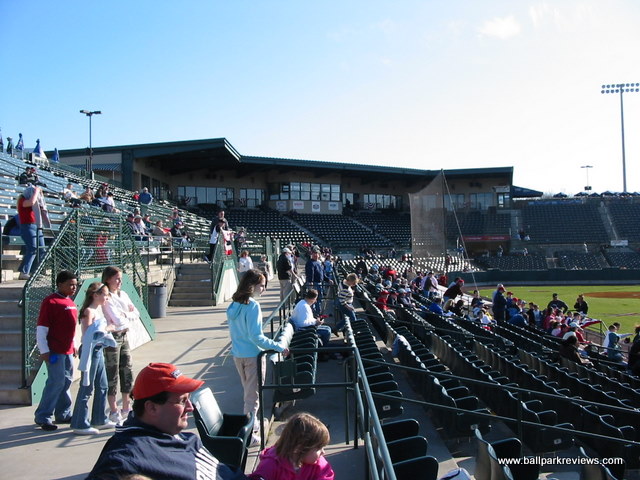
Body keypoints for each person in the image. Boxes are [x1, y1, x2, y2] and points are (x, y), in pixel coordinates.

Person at [86, 362, 247, 480]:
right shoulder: (125, 459)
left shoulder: (182, 436)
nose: (190, 407)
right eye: (182, 401)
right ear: (152, 408)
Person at [227, 269, 289, 444]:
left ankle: (251, 423)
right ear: (251, 285)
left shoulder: (234, 305)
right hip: (253, 356)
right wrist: (279, 346)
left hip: (238, 354)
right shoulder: (252, 306)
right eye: (261, 285)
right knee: (252, 397)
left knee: (248, 393)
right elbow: (257, 337)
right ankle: (248, 434)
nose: (264, 289)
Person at [34, 270, 79, 431]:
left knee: (66, 381)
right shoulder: (50, 302)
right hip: (54, 352)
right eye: (70, 285)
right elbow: (42, 328)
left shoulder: (71, 302)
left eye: (75, 285)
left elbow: (71, 328)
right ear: (60, 284)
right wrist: (44, 350)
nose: (73, 287)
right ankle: (43, 416)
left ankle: (63, 414)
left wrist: (73, 345)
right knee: (56, 382)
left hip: (68, 351)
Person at [70, 282, 117, 435]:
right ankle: (79, 423)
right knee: (87, 386)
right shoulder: (89, 311)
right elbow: (91, 334)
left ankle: (99, 418)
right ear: (95, 295)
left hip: (98, 349)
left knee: (102, 385)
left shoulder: (98, 310)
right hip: (90, 351)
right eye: (105, 294)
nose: (107, 297)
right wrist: (108, 328)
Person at [250, 412, 334, 480]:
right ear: (299, 448)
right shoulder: (271, 464)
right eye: (319, 448)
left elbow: (326, 475)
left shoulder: (317, 464)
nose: (323, 452)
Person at [101, 266, 137, 424]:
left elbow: (136, 313)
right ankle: (114, 409)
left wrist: (126, 314)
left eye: (120, 278)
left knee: (127, 369)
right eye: (116, 279)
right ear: (108, 279)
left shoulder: (123, 295)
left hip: (124, 335)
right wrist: (126, 315)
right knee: (112, 372)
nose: (119, 282)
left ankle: (126, 407)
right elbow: (116, 319)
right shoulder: (107, 297)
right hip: (113, 337)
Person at [17, 184, 48, 280]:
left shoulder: (35, 204)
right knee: (32, 249)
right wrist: (36, 191)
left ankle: (35, 272)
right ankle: (24, 272)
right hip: (27, 226)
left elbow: (40, 205)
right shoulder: (22, 200)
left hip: (37, 226)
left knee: (42, 250)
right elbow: (31, 202)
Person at [305, 249, 332, 317]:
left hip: (319, 283)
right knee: (313, 299)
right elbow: (310, 273)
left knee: (319, 298)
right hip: (314, 283)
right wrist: (310, 282)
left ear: (319, 255)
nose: (315, 255)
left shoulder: (319, 262)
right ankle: (313, 313)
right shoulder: (310, 263)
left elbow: (322, 273)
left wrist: (328, 279)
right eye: (314, 253)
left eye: (317, 253)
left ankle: (318, 312)